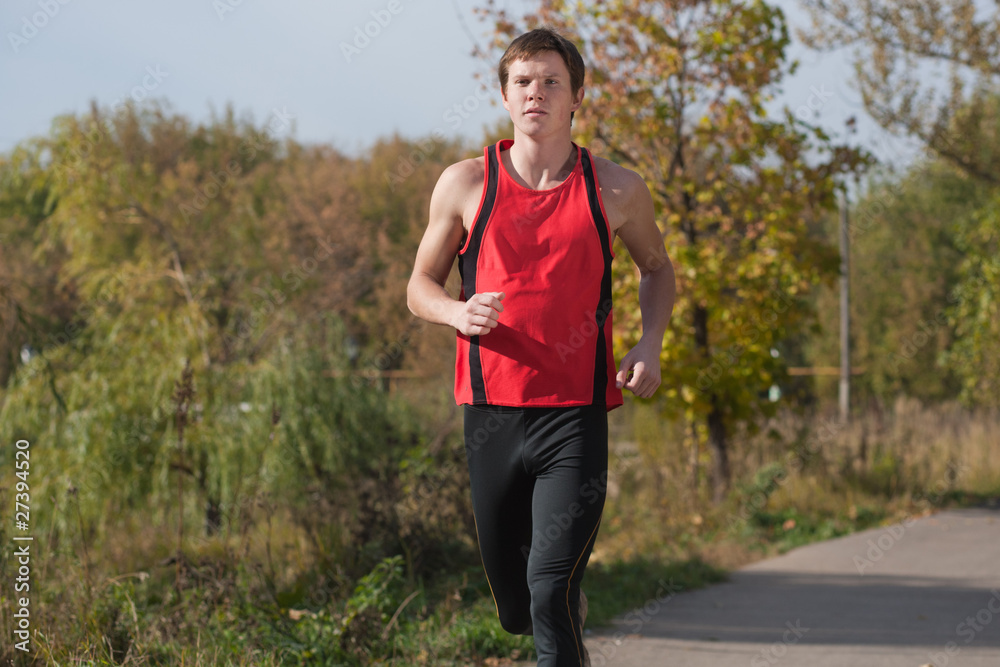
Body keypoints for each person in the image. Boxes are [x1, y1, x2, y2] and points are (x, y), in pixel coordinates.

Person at [406, 26, 676, 667]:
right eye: (523, 81)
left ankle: (562, 613)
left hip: (575, 417)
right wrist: (455, 312)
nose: (537, 93)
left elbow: (657, 267)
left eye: (552, 81)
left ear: (576, 95)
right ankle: (556, 613)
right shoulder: (467, 184)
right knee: (516, 608)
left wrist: (652, 342)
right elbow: (419, 285)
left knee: (549, 590)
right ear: (504, 95)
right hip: (490, 415)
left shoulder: (615, 189)